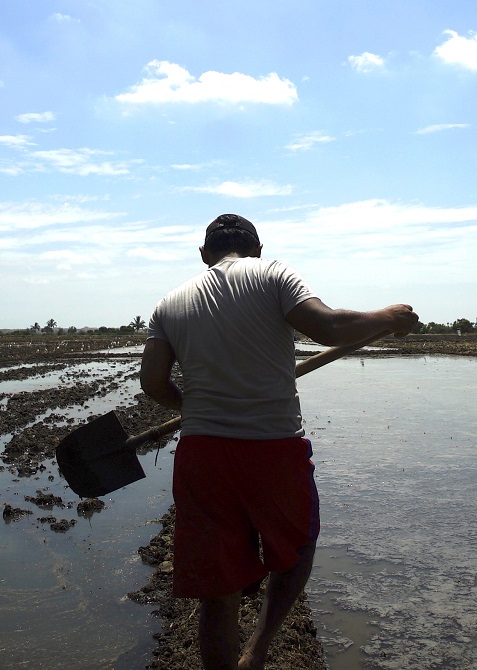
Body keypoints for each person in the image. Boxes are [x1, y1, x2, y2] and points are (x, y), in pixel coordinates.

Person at [140, 214, 418, 670]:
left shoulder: (169, 302)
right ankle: (259, 648)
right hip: (272, 448)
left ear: (204, 254)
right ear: (258, 249)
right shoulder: (273, 275)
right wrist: (384, 317)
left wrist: (192, 408)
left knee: (218, 590)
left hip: (202, 454)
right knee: (298, 549)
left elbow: (153, 382)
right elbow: (326, 327)